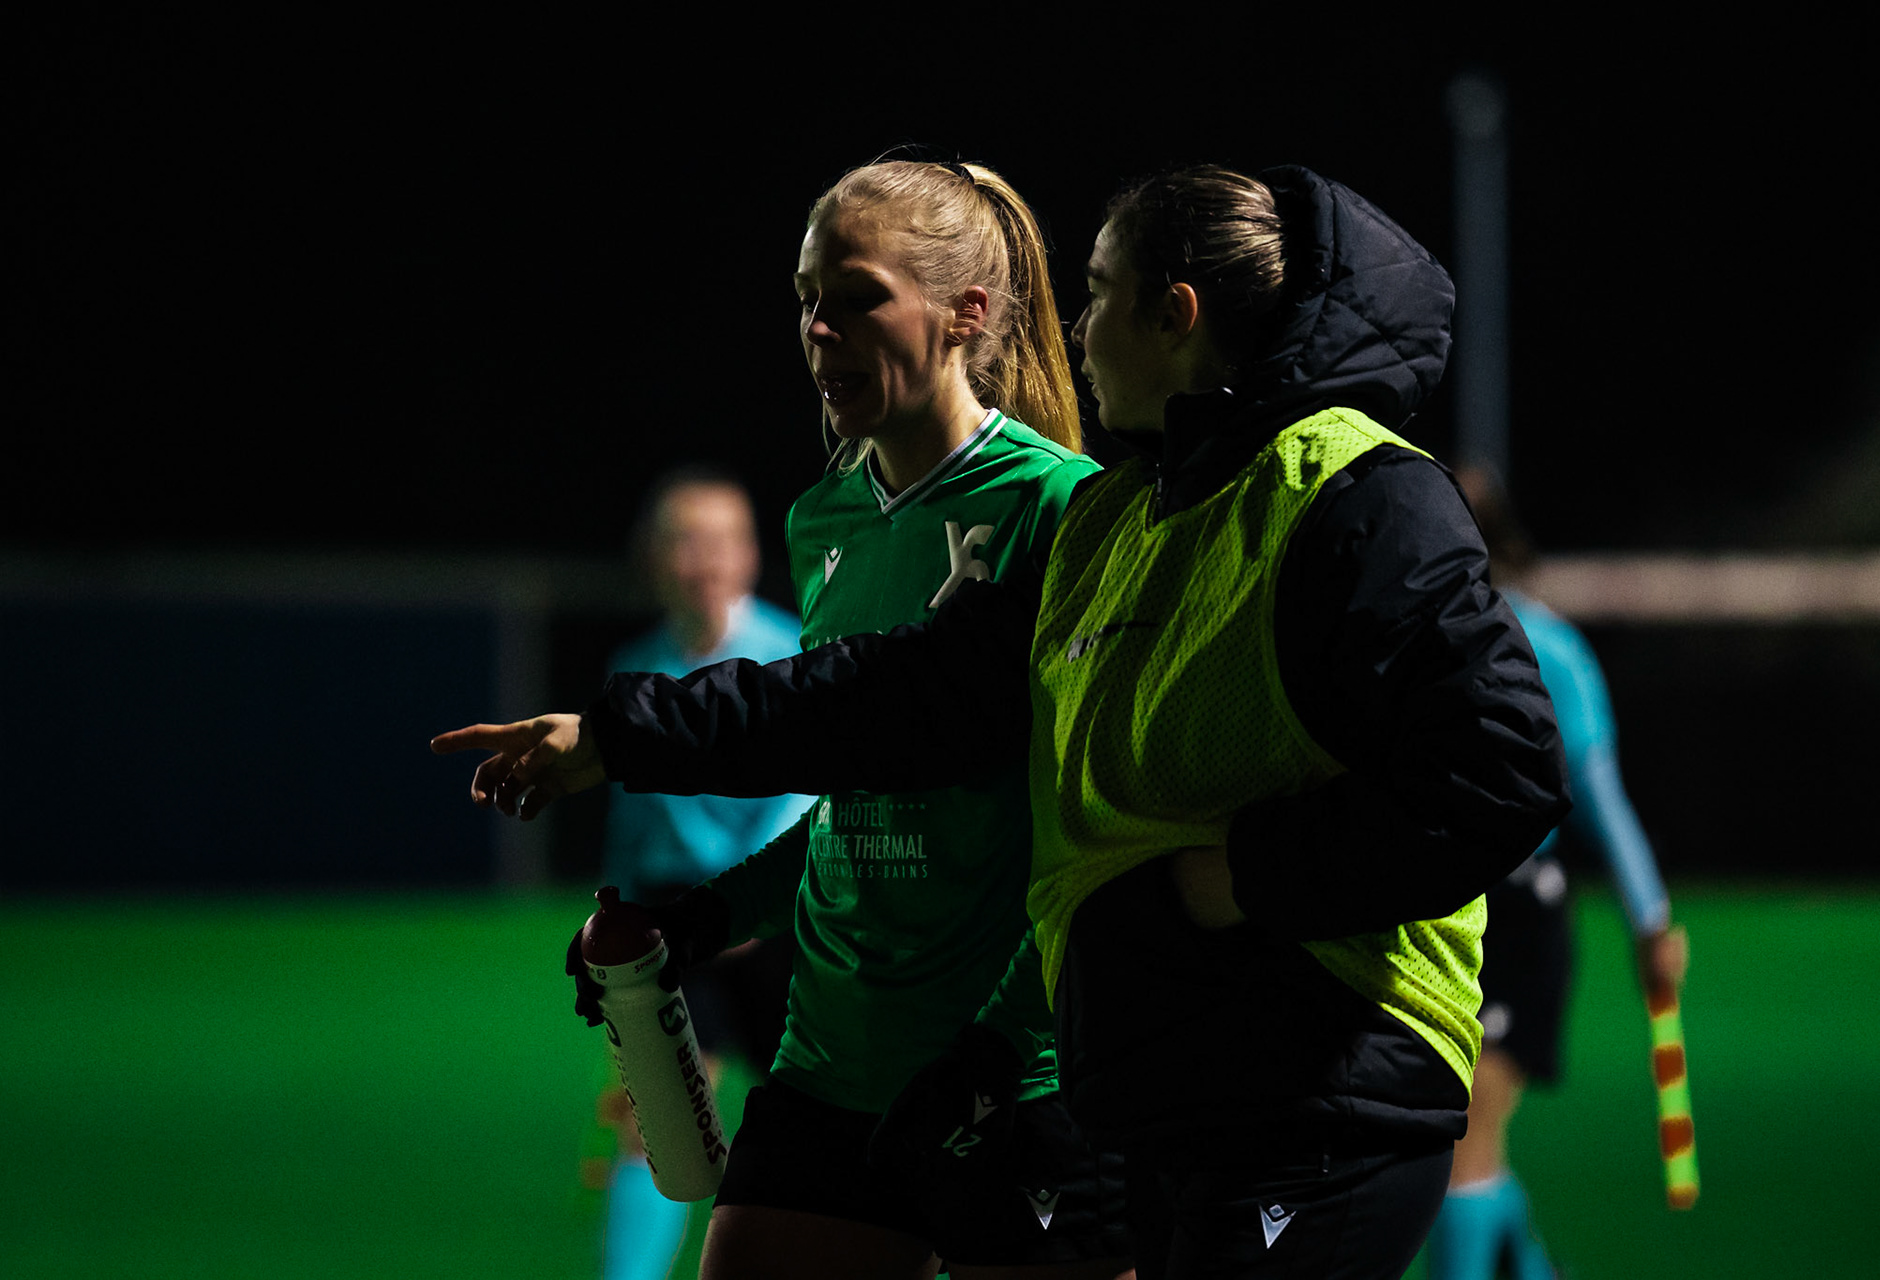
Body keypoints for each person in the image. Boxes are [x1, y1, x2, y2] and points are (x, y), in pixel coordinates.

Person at [436, 163, 1570, 1280]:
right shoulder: (1090, 514)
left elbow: (1492, 775)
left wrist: (1205, 892)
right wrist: (680, 862)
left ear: (1167, 314)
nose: (1074, 327)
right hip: (993, 1063)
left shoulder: (1270, 491)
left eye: (1100, 290)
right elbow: (883, 728)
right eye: (804, 297)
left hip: (1198, 1075)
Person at [464, 158, 1132, 1280]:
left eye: (857, 293)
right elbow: (855, 801)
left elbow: (1101, 842)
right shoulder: (826, 515)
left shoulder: (1062, 507)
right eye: (806, 296)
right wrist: (701, 920)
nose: (819, 326)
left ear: (968, 312)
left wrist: (994, 1055)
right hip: (829, 1068)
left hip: (1010, 1083)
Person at [1422, 470, 1689, 1280]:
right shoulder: (1399, 642)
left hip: (1516, 924)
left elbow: (1599, 798)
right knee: (1458, 1151)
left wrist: (1650, 920)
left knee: (1462, 1147)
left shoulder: (1549, 649)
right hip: (1430, 920)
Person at [587, 467, 814, 1280]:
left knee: (813, 1116)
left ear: (751, 554)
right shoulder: (635, 666)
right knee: (657, 1117)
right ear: (651, 557)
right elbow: (629, 813)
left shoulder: (790, 650)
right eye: (685, 539)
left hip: (777, 914)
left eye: (722, 539)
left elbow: (804, 790)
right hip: (667, 924)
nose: (704, 558)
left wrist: (742, 903)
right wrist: (606, 921)